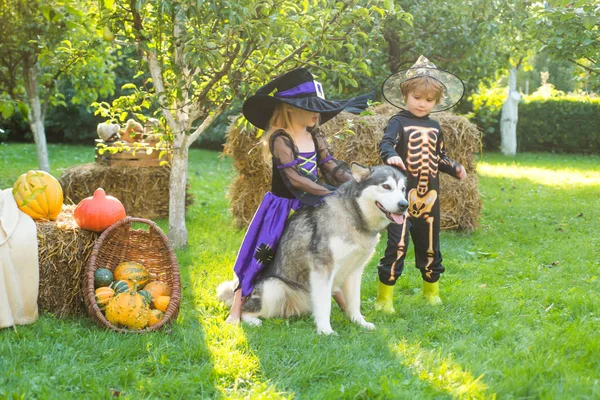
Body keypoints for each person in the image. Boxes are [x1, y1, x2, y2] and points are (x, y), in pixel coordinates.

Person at [227, 68, 363, 324]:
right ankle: (237, 308)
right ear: (289, 108)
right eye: (310, 107)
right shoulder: (281, 139)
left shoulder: (314, 134)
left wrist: (355, 184)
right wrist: (331, 194)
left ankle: (344, 304)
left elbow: (330, 166)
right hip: (283, 207)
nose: (317, 114)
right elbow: (296, 179)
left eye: (319, 108)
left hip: (314, 205)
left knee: (325, 252)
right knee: (260, 255)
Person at [375, 56, 467, 312]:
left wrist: (454, 168)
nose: (422, 104)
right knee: (397, 245)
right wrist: (391, 154)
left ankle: (431, 291)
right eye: (417, 97)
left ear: (436, 102)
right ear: (406, 95)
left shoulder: (435, 126)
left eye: (429, 100)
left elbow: (439, 157)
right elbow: (385, 143)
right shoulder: (398, 122)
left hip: (430, 198)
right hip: (401, 197)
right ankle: (385, 299)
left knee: (430, 245)